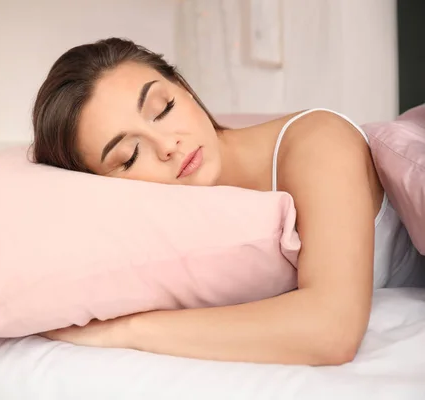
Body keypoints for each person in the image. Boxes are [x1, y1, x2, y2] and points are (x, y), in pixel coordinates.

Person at [31, 38, 422, 366]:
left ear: (184, 89)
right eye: (130, 156)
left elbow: (332, 330)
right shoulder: (160, 221)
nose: (169, 145)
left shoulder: (318, 142)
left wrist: (125, 330)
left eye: (163, 109)